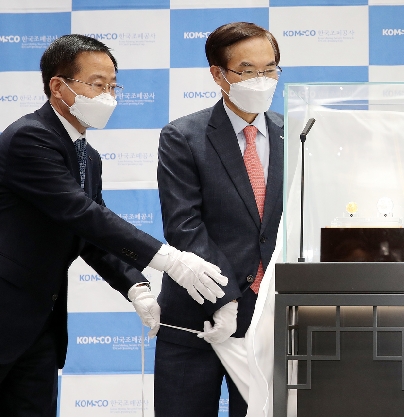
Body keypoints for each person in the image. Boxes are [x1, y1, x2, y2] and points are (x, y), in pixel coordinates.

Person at [0, 34, 229, 417]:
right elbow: (82, 214)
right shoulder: (31, 138)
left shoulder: (88, 155)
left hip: (40, 324)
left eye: (112, 86)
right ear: (58, 86)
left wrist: (136, 286)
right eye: (96, 84)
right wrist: (169, 260)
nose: (108, 96)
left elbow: (91, 237)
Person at [154, 22, 283, 417]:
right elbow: (184, 226)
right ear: (218, 74)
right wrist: (225, 297)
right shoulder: (183, 136)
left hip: (271, 317)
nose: (261, 80)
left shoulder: (295, 134)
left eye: (270, 69)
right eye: (247, 70)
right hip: (197, 314)